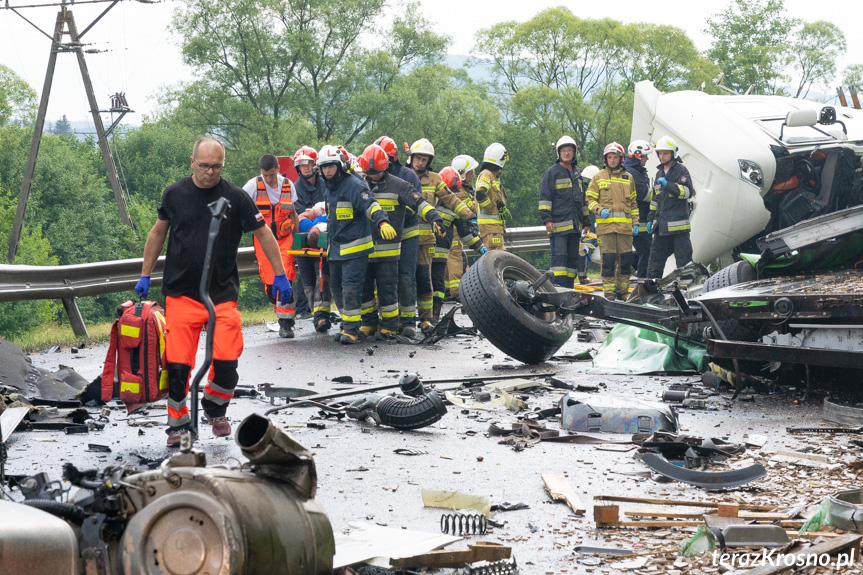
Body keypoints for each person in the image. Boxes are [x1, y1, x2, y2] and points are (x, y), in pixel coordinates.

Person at [135, 137, 292, 447]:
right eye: (204, 165)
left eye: (216, 166)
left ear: (223, 165)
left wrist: (280, 275)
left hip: (221, 294)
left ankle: (214, 408)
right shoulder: (175, 194)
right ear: (192, 162)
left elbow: (264, 233)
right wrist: (145, 274)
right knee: (178, 364)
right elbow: (157, 232)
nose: (210, 172)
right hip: (181, 293)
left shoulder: (236, 197)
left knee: (226, 361)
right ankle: (177, 424)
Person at [356, 144, 445, 339]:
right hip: (370, 246)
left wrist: (434, 218)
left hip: (401, 240)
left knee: (405, 278)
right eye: (369, 174)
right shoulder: (360, 184)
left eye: (376, 173)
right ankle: (370, 323)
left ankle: (408, 323)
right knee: (366, 285)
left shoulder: (401, 182)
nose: (373, 178)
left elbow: (419, 202)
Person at [317, 144, 393, 344]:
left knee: (351, 289)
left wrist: (382, 220)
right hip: (336, 250)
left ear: (340, 165)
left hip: (355, 248)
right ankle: (354, 324)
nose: (327, 170)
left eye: (331, 166)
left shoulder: (353, 184)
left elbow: (370, 204)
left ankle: (351, 330)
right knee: (336, 288)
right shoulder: (329, 188)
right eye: (324, 167)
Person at [408, 138, 482, 330]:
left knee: (426, 280)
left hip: (426, 240)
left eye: (424, 159)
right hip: (405, 238)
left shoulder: (434, 179)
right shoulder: (403, 176)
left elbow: (451, 199)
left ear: (429, 161)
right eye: (417, 158)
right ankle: (403, 322)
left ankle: (427, 320)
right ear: (411, 158)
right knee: (405, 280)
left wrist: (469, 215)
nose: (420, 162)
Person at [242, 154, 299, 338]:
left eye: (272, 175)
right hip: (263, 240)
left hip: (285, 237)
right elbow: (239, 206)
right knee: (269, 279)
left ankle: (286, 323)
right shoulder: (252, 186)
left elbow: (293, 214)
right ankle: (280, 312)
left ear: (277, 170)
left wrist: (297, 238)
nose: (268, 179)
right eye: (265, 176)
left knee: (286, 272)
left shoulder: (288, 185)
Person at [374, 136, 423, 338]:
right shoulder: (374, 177)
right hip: (384, 238)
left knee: (405, 276)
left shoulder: (408, 177)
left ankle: (409, 321)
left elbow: (414, 208)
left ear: (392, 158)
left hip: (406, 235)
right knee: (385, 279)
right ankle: (387, 321)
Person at [586, 142, 638, 300]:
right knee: (608, 263)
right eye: (610, 157)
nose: (613, 160)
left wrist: (635, 223)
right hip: (606, 229)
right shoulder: (598, 177)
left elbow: (634, 204)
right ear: (605, 158)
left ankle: (623, 294)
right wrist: (600, 210)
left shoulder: (628, 178)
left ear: (621, 158)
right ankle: (609, 295)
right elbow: (589, 199)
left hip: (624, 230)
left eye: (615, 157)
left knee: (625, 264)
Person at [538, 136, 591, 287]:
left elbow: (583, 201)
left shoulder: (577, 174)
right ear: (559, 153)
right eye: (564, 151)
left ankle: (569, 290)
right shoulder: (552, 172)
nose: (567, 153)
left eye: (570, 150)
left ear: (574, 153)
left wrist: (586, 222)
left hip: (575, 227)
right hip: (558, 226)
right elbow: (545, 198)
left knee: (571, 262)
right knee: (559, 262)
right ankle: (557, 291)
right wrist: (547, 219)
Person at [292, 145, 333, 333]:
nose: (306, 168)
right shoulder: (295, 188)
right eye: (302, 165)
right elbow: (298, 217)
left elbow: (329, 210)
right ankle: (310, 310)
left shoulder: (326, 183)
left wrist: (318, 221)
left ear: (315, 165)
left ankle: (320, 314)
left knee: (322, 275)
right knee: (306, 278)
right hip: (302, 238)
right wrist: (315, 222)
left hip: (324, 236)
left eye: (309, 164)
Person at [646, 135, 694, 279]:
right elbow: (655, 200)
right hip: (661, 227)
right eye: (660, 153)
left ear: (673, 153)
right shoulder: (659, 173)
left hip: (679, 230)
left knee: (684, 263)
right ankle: (651, 290)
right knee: (654, 262)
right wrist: (650, 219)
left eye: (665, 153)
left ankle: (687, 292)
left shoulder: (681, 171)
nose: (662, 156)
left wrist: (669, 185)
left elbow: (687, 192)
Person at [445, 154, 480, 299]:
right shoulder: (460, 194)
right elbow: (473, 210)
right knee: (455, 259)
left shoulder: (465, 191)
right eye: (471, 172)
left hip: (457, 231)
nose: (473, 175)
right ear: (463, 174)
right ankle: (455, 291)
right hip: (454, 231)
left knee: (455, 258)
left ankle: (448, 291)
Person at [624, 140, 654, 279]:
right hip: (638, 220)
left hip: (640, 220)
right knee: (646, 252)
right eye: (645, 156)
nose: (647, 158)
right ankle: (643, 283)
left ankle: (631, 271)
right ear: (637, 155)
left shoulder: (635, 171)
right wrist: (660, 193)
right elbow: (646, 195)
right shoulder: (633, 173)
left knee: (645, 252)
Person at [475, 143, 510, 251]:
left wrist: (499, 204)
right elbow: (480, 193)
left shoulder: (494, 176)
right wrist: (489, 208)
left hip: (495, 229)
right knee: (494, 260)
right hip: (490, 229)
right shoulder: (487, 174)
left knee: (498, 259)